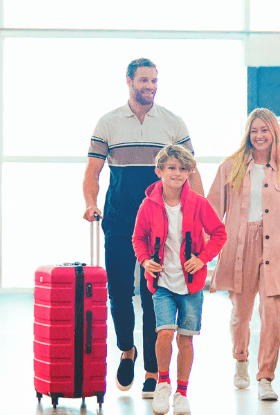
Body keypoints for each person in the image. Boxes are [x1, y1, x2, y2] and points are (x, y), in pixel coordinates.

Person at [83, 58, 204, 397]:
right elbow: (92, 173)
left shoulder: (171, 123)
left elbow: (191, 173)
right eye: (144, 81)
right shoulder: (108, 123)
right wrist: (91, 204)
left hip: (162, 224)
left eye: (154, 81)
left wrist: (201, 214)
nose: (150, 86)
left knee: (154, 294)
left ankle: (152, 368)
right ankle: (127, 350)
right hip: (120, 219)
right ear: (129, 81)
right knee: (120, 291)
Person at [207, 108, 280, 401]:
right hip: (240, 245)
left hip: (277, 247)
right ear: (248, 133)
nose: (259, 136)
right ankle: (241, 359)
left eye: (264, 130)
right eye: (254, 130)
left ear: (274, 134)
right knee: (241, 313)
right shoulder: (229, 167)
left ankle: (266, 376)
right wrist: (197, 244)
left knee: (273, 313)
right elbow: (210, 210)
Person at [132, 144, 226, 415]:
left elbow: (219, 234)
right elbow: (138, 239)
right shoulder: (148, 205)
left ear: (189, 173)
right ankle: (163, 382)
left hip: (191, 285)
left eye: (183, 169)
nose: (177, 173)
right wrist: (144, 260)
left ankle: (182, 393)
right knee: (164, 332)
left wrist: (203, 259)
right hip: (161, 283)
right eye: (171, 168)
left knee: (186, 339)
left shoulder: (198, 203)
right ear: (159, 171)